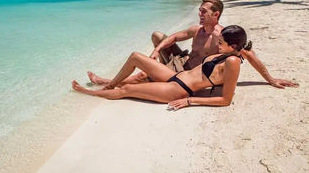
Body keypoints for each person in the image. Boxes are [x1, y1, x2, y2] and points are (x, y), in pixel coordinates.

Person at [87, 0, 297, 89]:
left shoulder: (223, 36)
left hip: (190, 75)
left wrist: (270, 79)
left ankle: (107, 82)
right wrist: (156, 50)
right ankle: (147, 69)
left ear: (216, 15)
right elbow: (175, 37)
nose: (199, 14)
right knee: (158, 35)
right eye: (199, 10)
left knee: (143, 76)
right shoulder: (197, 30)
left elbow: (250, 56)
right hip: (183, 62)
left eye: (203, 12)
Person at [73, 25, 254, 109]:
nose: (218, 44)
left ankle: (91, 93)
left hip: (179, 89)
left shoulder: (233, 62)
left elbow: (226, 100)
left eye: (221, 42)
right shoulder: (228, 53)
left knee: (127, 89)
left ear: (234, 46)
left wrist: (190, 101)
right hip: (176, 76)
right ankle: (110, 84)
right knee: (136, 57)